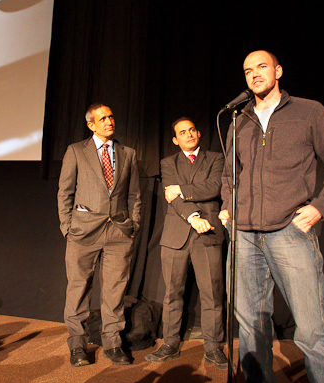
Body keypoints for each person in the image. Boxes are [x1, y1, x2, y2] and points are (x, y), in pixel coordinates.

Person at [218, 50, 324, 383]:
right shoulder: (237, 120)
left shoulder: (309, 112)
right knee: (250, 323)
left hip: (290, 233)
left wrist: (318, 208)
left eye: (261, 66)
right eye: (247, 70)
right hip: (244, 234)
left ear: (277, 71)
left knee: (312, 326)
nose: (254, 74)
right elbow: (230, 174)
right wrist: (229, 209)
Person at [58, 103, 142, 366]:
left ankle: (113, 343)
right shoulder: (76, 151)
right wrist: (67, 228)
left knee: (115, 291)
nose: (109, 121)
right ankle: (77, 346)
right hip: (83, 232)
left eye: (111, 117)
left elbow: (134, 195)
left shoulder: (127, 153)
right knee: (79, 289)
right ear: (91, 124)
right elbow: (65, 192)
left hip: (118, 231)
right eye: (102, 118)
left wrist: (133, 224)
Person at [146, 118, 228, 369]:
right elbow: (171, 198)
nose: (189, 134)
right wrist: (194, 218)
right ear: (175, 139)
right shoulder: (168, 162)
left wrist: (180, 188)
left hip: (209, 232)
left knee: (212, 294)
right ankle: (170, 344)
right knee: (172, 293)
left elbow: (214, 188)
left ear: (199, 133)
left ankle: (213, 347)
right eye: (183, 132)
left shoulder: (216, 158)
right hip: (177, 234)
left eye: (192, 130)